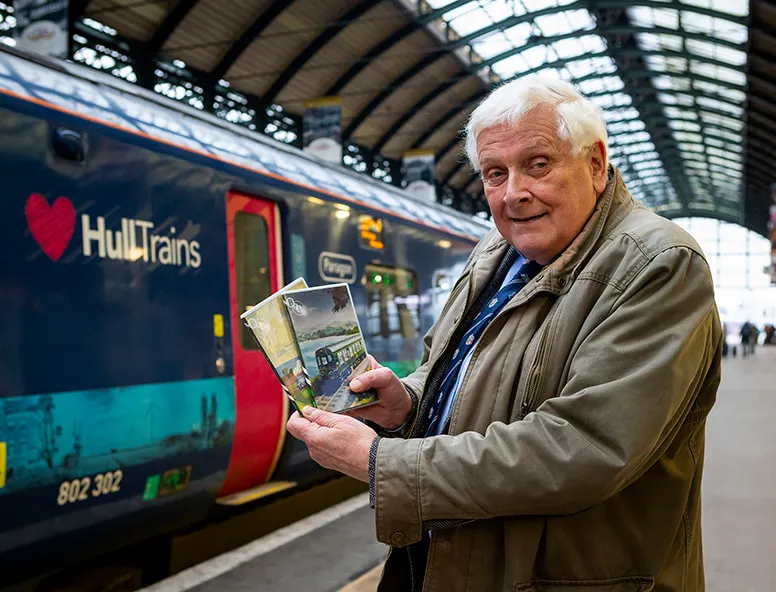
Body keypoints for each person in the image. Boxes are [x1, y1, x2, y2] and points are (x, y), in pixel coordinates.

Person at [287, 76, 722, 592]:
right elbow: (452, 367)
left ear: (596, 164)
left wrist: (383, 462)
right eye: (495, 173)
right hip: (443, 561)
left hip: (558, 577)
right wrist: (406, 403)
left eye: (538, 164)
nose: (514, 193)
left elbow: (586, 447)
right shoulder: (495, 252)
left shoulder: (659, 263)